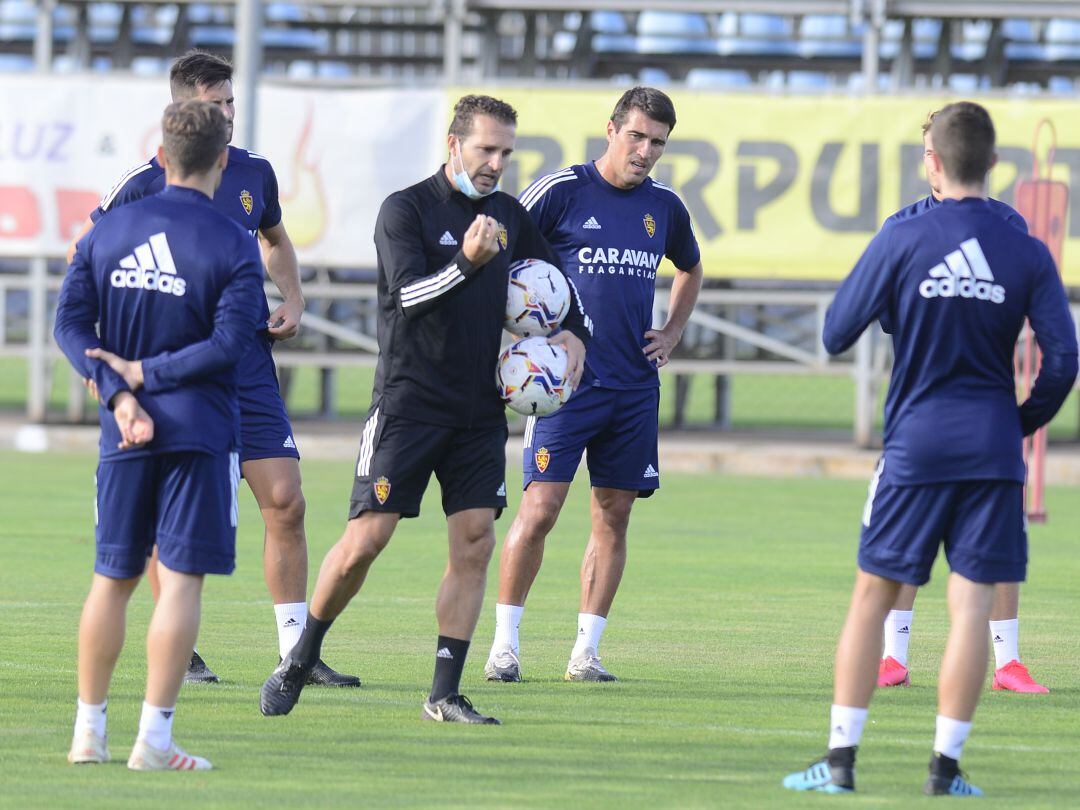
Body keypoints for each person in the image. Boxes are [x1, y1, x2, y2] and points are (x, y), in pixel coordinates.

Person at [259, 94, 591, 724]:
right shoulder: (406, 210)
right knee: (366, 541)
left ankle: (444, 692)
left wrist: (575, 330)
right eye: (486, 149)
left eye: (505, 153)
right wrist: (467, 261)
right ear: (454, 143)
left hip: (478, 410)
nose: (496, 163)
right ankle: (300, 657)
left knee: (474, 541)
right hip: (408, 404)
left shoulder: (509, 216)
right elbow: (406, 297)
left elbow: (557, 284)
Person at [782, 102, 1077, 797]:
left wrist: (904, 304)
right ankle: (944, 771)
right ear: (994, 164)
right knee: (971, 608)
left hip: (915, 447)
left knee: (869, 599)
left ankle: (842, 764)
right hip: (992, 452)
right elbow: (1063, 361)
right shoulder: (1026, 248)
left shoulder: (902, 235)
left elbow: (835, 331)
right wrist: (1022, 421)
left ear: (933, 162)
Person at [69, 50, 358, 687]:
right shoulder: (143, 183)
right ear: (180, 112)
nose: (227, 115)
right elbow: (82, 256)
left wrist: (293, 297)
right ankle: (182, 644)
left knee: (286, 501)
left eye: (230, 103)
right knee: (168, 520)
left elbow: (275, 240)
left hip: (247, 363)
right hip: (172, 375)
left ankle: (294, 653)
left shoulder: (253, 172)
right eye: (214, 106)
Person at [56, 101, 264, 770]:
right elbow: (232, 343)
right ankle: (154, 738)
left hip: (125, 431)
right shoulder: (233, 239)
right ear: (223, 159)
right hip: (199, 430)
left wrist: (120, 395)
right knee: (178, 585)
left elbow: (70, 327)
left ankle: (88, 733)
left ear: (162, 154)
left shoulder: (109, 231)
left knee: (111, 579)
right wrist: (147, 375)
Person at [483, 87, 703, 684]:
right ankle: (504, 647)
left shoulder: (666, 207)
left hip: (633, 388)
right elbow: (500, 253)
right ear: (611, 130)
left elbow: (691, 266)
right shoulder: (561, 192)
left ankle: (586, 652)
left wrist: (673, 331)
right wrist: (518, 341)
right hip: (563, 385)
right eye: (636, 136)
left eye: (657, 142)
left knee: (614, 516)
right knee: (540, 509)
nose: (645, 151)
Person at [876, 111, 1046, 694]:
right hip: (919, 413)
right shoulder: (902, 227)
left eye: (939, 149)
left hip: (987, 413)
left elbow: (1020, 305)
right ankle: (893, 656)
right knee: (904, 539)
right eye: (926, 151)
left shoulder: (1008, 225)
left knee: (999, 538)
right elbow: (887, 317)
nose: (935, 161)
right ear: (926, 158)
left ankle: (1008, 663)